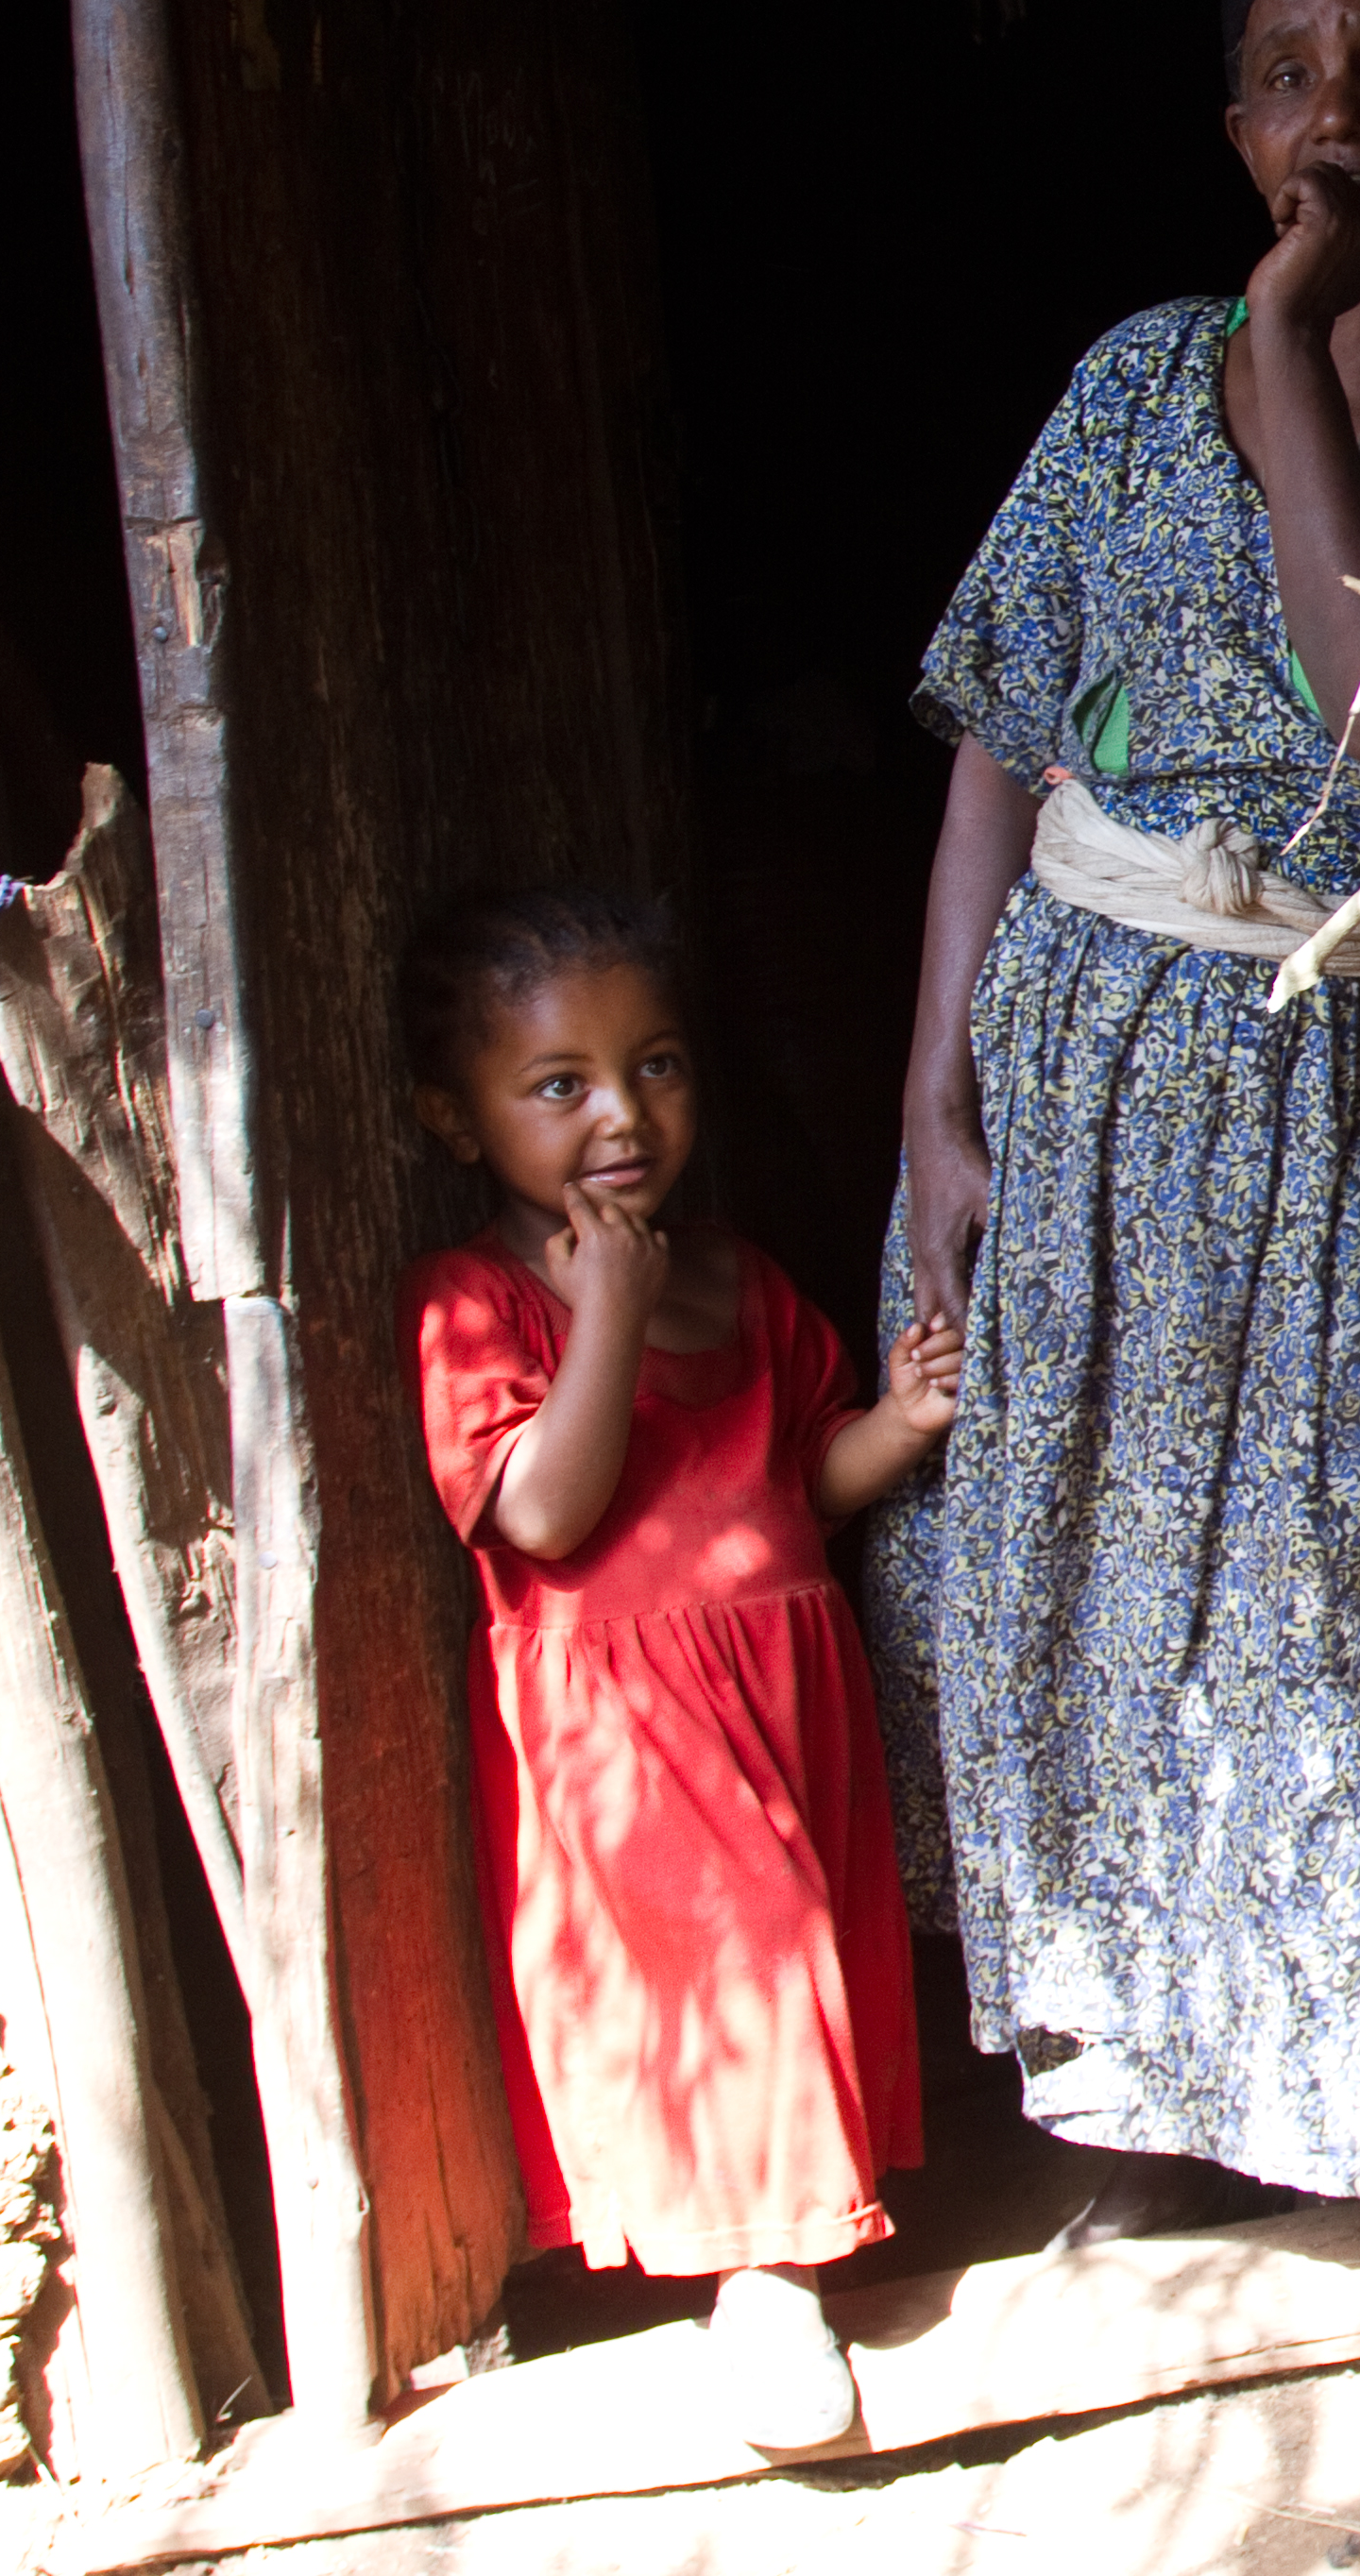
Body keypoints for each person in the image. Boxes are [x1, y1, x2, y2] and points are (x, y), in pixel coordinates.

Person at [861, 0, 1360, 2231]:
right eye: (1284, 74)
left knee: (1331, 1597)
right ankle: (1123, 2101)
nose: (1334, 113)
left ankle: (1352, 2086)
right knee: (1090, 1584)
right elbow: (1002, 736)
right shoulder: (1126, 375)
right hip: (1091, 1069)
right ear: (1232, 128)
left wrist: (1286, 340)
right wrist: (935, 1103)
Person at [401, 885, 955, 2452]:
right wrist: (610, 1317)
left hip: (784, 1688)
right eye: (557, 1083)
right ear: (457, 1119)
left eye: (655, 1065)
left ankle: (767, 2246)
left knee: (792, 1954)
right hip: (625, 1718)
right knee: (742, 1961)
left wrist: (898, 1425)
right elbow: (545, 1513)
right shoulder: (471, 1304)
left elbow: (798, 1483)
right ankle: (769, 2292)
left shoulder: (743, 1280)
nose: (622, 1115)